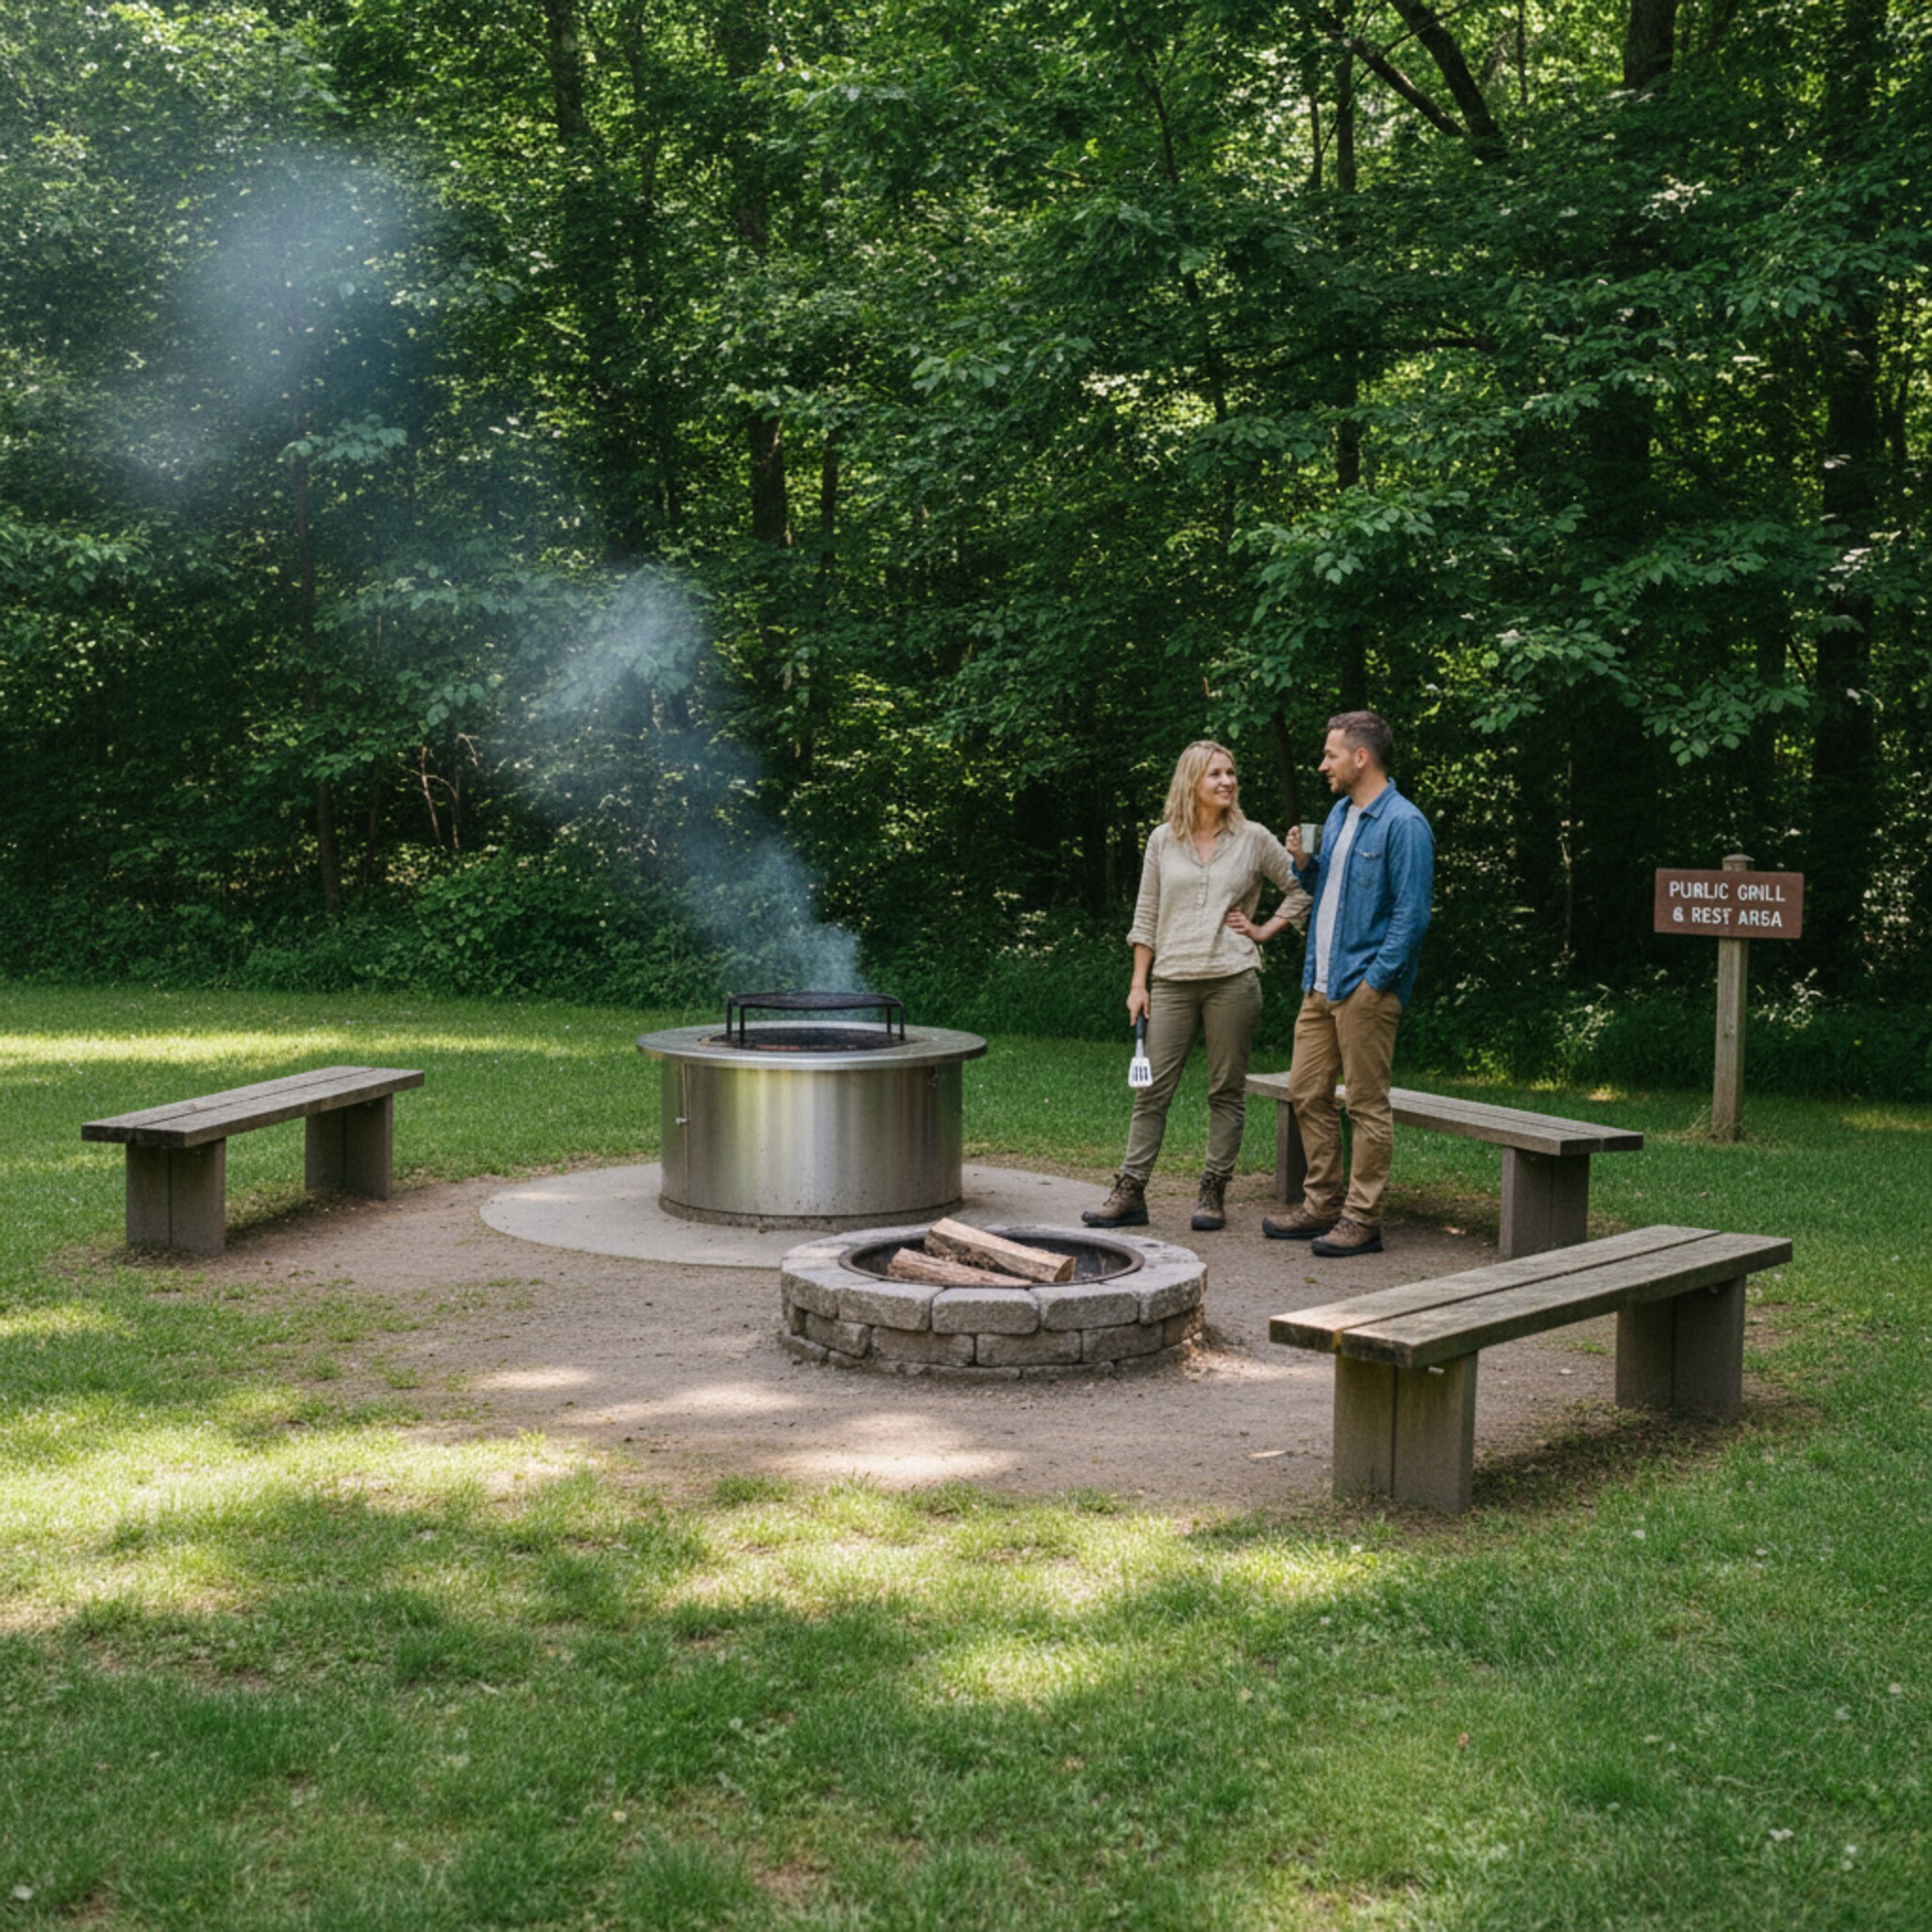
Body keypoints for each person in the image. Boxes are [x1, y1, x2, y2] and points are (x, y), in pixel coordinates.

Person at [1084, 741, 1311, 1234]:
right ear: (1192, 782)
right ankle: (1129, 1191)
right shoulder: (1162, 840)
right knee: (1150, 1092)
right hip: (1171, 982)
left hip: (1233, 979)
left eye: (1231, 773)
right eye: (1215, 774)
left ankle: (1213, 1190)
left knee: (1225, 1092)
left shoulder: (1253, 838)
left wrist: (1264, 929)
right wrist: (1138, 983)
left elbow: (1300, 887)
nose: (1227, 781)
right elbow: (1146, 914)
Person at [1262, 709, 1433, 1257]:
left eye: (1331, 754)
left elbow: (1412, 915)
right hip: (1320, 982)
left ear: (1361, 757)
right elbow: (1323, 886)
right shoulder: (1338, 814)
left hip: (1365, 988)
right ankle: (1323, 1205)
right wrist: (1305, 863)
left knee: (1365, 1103)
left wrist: (1376, 982)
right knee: (1305, 1091)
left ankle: (1363, 1218)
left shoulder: (1405, 824)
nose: (1322, 765)